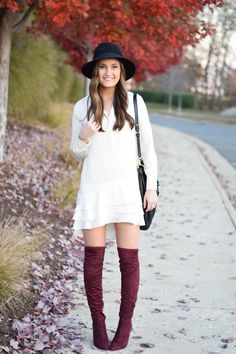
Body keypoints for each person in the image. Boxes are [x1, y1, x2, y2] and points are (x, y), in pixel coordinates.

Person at [70, 42, 158, 351]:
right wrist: (84, 137)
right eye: (103, 67)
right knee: (93, 261)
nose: (109, 72)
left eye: (114, 67)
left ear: (121, 73)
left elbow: (147, 149)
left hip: (126, 191)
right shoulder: (82, 108)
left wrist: (150, 187)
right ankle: (98, 321)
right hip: (94, 189)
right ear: (95, 71)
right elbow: (77, 153)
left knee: (129, 261)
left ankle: (125, 323)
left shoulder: (135, 104)